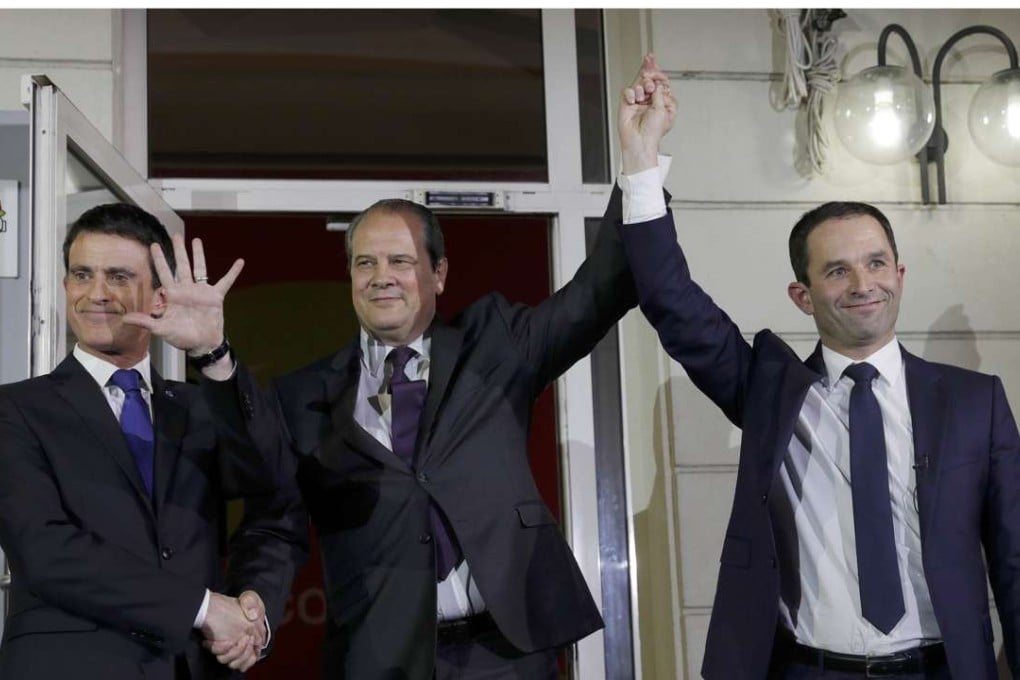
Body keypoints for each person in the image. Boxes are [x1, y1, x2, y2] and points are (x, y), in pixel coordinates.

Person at [127, 55, 676, 679]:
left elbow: (600, 290)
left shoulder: (495, 345)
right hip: (379, 658)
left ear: (438, 274)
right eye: (364, 263)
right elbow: (275, 521)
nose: (381, 277)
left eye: (400, 261)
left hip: (507, 654)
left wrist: (640, 160)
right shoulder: (303, 396)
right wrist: (255, 604)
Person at [617, 85, 1020, 677]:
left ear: (899, 274)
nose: (863, 284)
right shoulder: (770, 391)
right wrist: (642, 156)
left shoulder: (973, 402)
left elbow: (1014, 559)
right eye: (837, 271)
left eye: (875, 263)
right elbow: (671, 302)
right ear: (802, 296)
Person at [0, 203, 308, 679]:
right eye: (82, 275)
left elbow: (274, 497)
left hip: (192, 666)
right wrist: (204, 608)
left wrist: (212, 354)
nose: (96, 294)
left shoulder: (202, 405)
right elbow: (46, 551)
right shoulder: (16, 409)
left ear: (159, 299)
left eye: (118, 277)